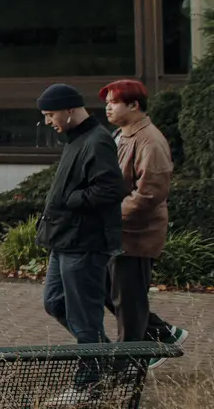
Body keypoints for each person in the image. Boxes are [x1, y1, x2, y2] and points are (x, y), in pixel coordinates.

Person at [35, 83, 125, 402]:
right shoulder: (77, 139)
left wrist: (72, 200)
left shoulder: (97, 140)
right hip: (64, 241)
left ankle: (89, 387)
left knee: (84, 317)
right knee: (54, 302)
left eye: (51, 114)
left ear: (70, 110)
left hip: (84, 244)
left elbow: (111, 189)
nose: (48, 121)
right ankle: (108, 360)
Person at [100, 80, 187, 363]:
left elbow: (149, 194)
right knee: (105, 289)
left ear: (134, 105)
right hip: (117, 233)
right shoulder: (121, 135)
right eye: (107, 102)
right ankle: (162, 334)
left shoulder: (150, 140)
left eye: (114, 102)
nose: (108, 108)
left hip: (136, 236)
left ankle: (130, 363)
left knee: (128, 302)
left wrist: (110, 216)